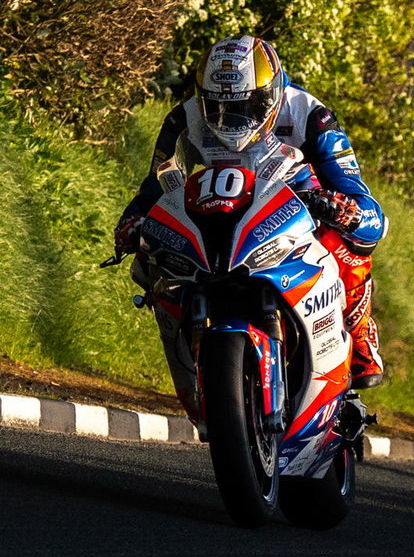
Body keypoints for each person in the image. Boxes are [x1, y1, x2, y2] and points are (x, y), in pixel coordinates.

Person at [115, 36, 388, 424]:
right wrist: (131, 223)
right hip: (215, 210)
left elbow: (361, 200)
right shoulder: (184, 117)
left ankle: (359, 334)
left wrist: (346, 210)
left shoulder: (310, 114)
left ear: (272, 93)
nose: (233, 119)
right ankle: (191, 352)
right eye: (220, 106)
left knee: (348, 238)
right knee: (149, 255)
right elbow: (155, 186)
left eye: (248, 106)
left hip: (293, 203)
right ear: (203, 96)